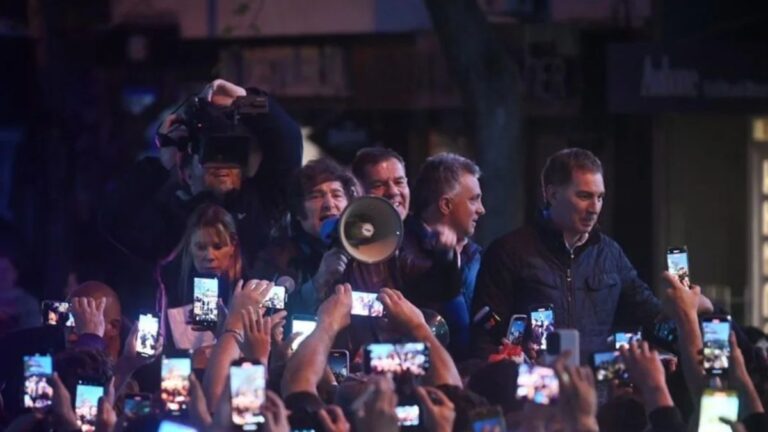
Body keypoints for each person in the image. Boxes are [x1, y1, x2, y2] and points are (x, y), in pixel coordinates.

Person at [471, 148, 709, 361]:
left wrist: (687, 314)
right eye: (584, 196)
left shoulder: (610, 254)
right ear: (552, 195)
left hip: (598, 394)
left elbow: (651, 318)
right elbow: (484, 340)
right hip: (535, 394)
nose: (594, 208)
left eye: (600, 197)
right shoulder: (509, 251)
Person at [399, 153, 485, 359]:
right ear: (445, 205)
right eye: (474, 200)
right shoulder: (398, 251)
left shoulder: (475, 255)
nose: (482, 209)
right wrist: (443, 260)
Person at [254, 157, 360, 313]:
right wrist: (318, 282)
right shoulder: (276, 258)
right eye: (316, 196)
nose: (329, 204)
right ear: (298, 211)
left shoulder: (366, 253)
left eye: (337, 195)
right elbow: (270, 312)